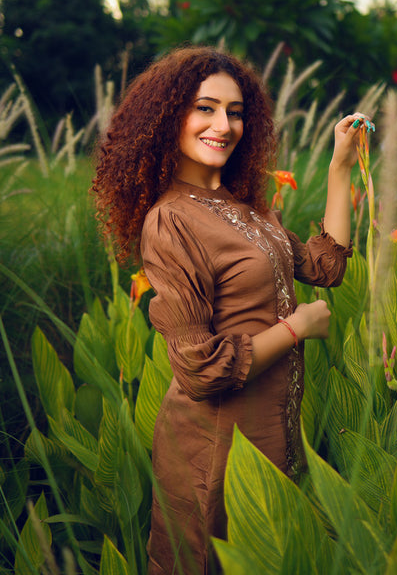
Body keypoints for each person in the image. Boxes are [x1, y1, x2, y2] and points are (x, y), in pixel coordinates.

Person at [92, 46, 372, 575]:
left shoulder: (244, 210)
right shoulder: (170, 222)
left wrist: (339, 168)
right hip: (215, 450)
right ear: (167, 116)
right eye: (205, 108)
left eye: (236, 111)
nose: (224, 124)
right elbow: (200, 368)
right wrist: (298, 327)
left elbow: (324, 265)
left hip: (272, 437)